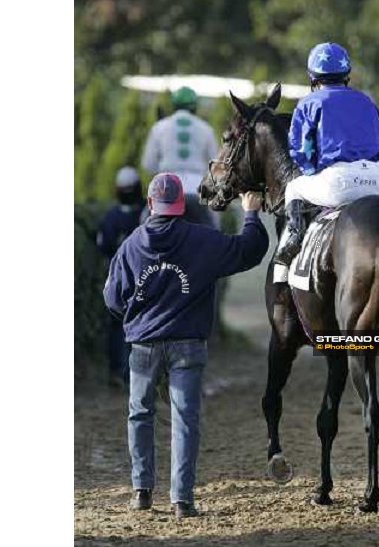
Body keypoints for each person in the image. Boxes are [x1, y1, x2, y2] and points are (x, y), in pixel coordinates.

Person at [103, 173, 268, 517]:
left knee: (140, 414)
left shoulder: (131, 244)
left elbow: (112, 298)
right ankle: (182, 499)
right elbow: (249, 250)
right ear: (180, 206)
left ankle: (141, 491)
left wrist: (137, 317)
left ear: (150, 204)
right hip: (188, 345)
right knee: (185, 419)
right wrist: (251, 212)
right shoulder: (202, 240)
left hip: (143, 346)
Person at [273, 42, 379, 267]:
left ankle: (290, 246)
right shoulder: (367, 101)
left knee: (293, 188)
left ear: (313, 77)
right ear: (346, 74)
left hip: (338, 184)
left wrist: (311, 170)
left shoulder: (308, 103)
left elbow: (300, 152)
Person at [142, 86, 219, 228]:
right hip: (198, 191)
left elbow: (148, 164)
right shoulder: (206, 129)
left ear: (173, 106)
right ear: (195, 107)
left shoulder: (159, 127)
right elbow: (216, 166)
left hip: (166, 190)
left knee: (144, 230)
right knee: (214, 233)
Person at [96, 166, 145, 386]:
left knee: (118, 326)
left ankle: (119, 371)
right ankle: (132, 372)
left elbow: (103, 246)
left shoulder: (110, 217)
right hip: (145, 280)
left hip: (119, 281)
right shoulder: (147, 212)